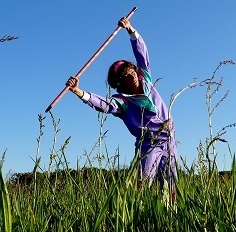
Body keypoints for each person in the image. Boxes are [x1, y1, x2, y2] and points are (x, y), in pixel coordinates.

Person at [66, 18, 177, 201]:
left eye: (131, 71)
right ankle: (135, 217)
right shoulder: (122, 101)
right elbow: (103, 104)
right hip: (149, 144)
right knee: (141, 185)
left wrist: (130, 30)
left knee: (171, 184)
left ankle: (171, 216)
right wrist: (79, 91)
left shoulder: (146, 80)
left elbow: (142, 54)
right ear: (118, 83)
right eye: (125, 75)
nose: (131, 75)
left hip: (169, 139)